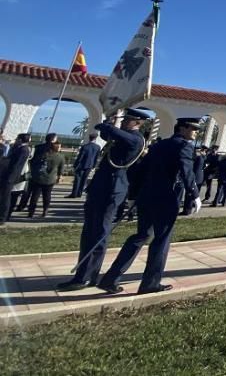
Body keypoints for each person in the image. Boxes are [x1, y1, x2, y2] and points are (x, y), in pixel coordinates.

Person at [96, 117, 202, 295]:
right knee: (161, 240)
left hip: (146, 198)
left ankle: (110, 278)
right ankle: (150, 283)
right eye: (193, 128)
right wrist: (195, 195)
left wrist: (133, 195)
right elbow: (186, 171)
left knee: (141, 236)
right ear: (182, 129)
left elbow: (139, 170)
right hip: (166, 199)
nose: (196, 132)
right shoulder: (184, 146)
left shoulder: (158, 146)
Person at [58, 108, 148, 291]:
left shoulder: (136, 139)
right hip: (100, 187)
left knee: (99, 232)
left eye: (128, 120)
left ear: (138, 122)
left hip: (112, 190)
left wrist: (110, 121)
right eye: (124, 120)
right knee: (89, 231)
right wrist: (109, 121)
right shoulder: (121, 137)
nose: (123, 122)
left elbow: (110, 130)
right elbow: (105, 132)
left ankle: (87, 276)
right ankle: (83, 274)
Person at [27, 135, 65, 218]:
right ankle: (45, 210)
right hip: (50, 179)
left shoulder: (43, 155)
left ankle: (31, 212)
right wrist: (59, 177)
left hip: (39, 177)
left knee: (34, 196)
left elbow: (33, 162)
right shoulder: (60, 157)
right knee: (47, 195)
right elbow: (61, 169)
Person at [0, 133, 31, 225]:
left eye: (17, 138)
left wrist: (11, 177)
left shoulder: (24, 150)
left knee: (5, 197)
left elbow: (17, 165)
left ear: (20, 140)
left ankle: (3, 217)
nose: (16, 140)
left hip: (11, 177)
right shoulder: (18, 147)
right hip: (7, 175)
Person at [69, 133, 101, 198]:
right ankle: (80, 193)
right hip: (90, 165)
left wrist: (75, 165)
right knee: (84, 179)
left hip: (82, 165)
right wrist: (94, 165)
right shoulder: (98, 147)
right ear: (95, 139)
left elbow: (80, 157)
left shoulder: (85, 146)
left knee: (78, 179)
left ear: (89, 138)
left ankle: (74, 193)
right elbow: (96, 157)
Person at [183, 146, 206, 215]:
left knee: (189, 195)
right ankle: (190, 208)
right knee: (194, 194)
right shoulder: (202, 158)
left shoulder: (197, 158)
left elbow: (193, 169)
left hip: (195, 178)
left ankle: (187, 210)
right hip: (199, 177)